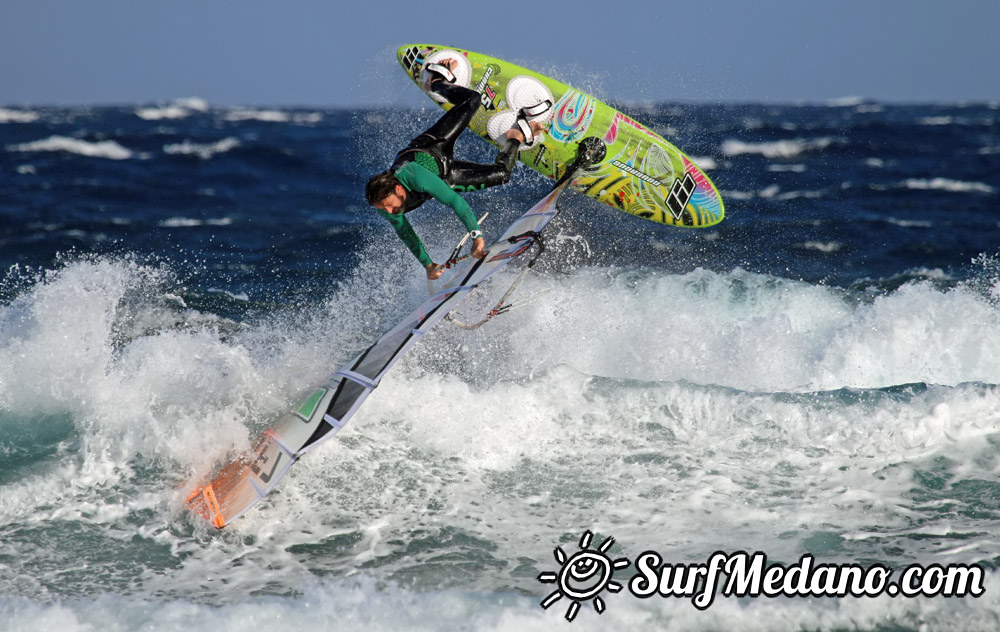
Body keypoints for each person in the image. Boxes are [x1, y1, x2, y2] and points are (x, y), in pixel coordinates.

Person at [366, 58, 549, 280]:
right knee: (502, 174)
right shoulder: (387, 206)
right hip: (445, 175)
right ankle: (516, 135)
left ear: (397, 190)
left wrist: (476, 237)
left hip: (433, 146)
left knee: (472, 100)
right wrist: (428, 265)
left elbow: (455, 202)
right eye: (382, 209)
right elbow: (407, 235)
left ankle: (436, 81)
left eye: (387, 206)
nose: (386, 212)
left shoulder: (413, 175)